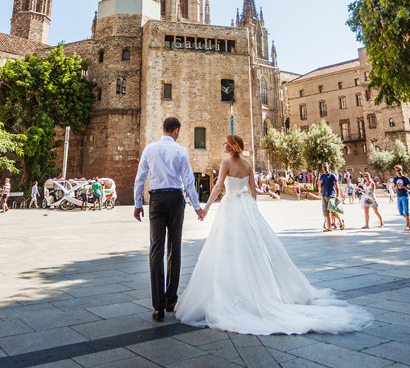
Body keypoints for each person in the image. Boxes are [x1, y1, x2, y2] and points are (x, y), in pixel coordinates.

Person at [174, 134, 372, 334]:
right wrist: (252, 210)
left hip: (231, 206)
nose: (223, 144)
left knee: (226, 248)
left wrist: (206, 208)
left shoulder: (226, 163)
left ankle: (231, 291)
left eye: (226, 142)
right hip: (246, 207)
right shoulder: (248, 164)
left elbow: (218, 187)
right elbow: (253, 190)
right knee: (251, 248)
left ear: (232, 147)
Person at [133, 117, 205, 321]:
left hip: (156, 199)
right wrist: (198, 207)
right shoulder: (181, 151)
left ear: (163, 129)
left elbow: (140, 177)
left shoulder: (149, 149)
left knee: (156, 250)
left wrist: (138, 203)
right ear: (176, 131)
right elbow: (189, 181)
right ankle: (171, 299)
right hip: (175, 199)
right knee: (174, 249)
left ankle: (158, 307)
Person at [391, 165, 410, 230]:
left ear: (402, 170)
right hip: (399, 196)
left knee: (406, 211)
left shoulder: (405, 178)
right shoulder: (395, 178)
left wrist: (404, 187)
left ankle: (408, 226)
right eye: (396, 171)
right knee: (401, 212)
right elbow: (394, 187)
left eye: (399, 170)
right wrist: (395, 188)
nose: (398, 172)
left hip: (404, 196)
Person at [318, 162, 339, 232]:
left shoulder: (332, 176)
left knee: (334, 212)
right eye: (323, 167)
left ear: (328, 167)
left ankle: (341, 223)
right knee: (326, 213)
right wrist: (320, 190)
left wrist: (337, 195)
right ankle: (329, 227)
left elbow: (337, 185)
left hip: (331, 195)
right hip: (324, 195)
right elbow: (320, 186)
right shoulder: (322, 176)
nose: (325, 168)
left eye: (326, 167)